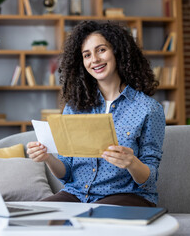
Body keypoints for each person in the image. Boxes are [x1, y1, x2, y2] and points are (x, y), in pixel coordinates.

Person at [27, 21, 165, 207]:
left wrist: (131, 162)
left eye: (101, 50)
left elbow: (149, 179)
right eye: (87, 55)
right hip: (76, 194)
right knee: (36, 215)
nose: (94, 60)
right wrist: (47, 157)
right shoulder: (74, 107)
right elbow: (66, 173)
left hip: (128, 196)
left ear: (117, 51)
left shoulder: (148, 108)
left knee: (97, 222)